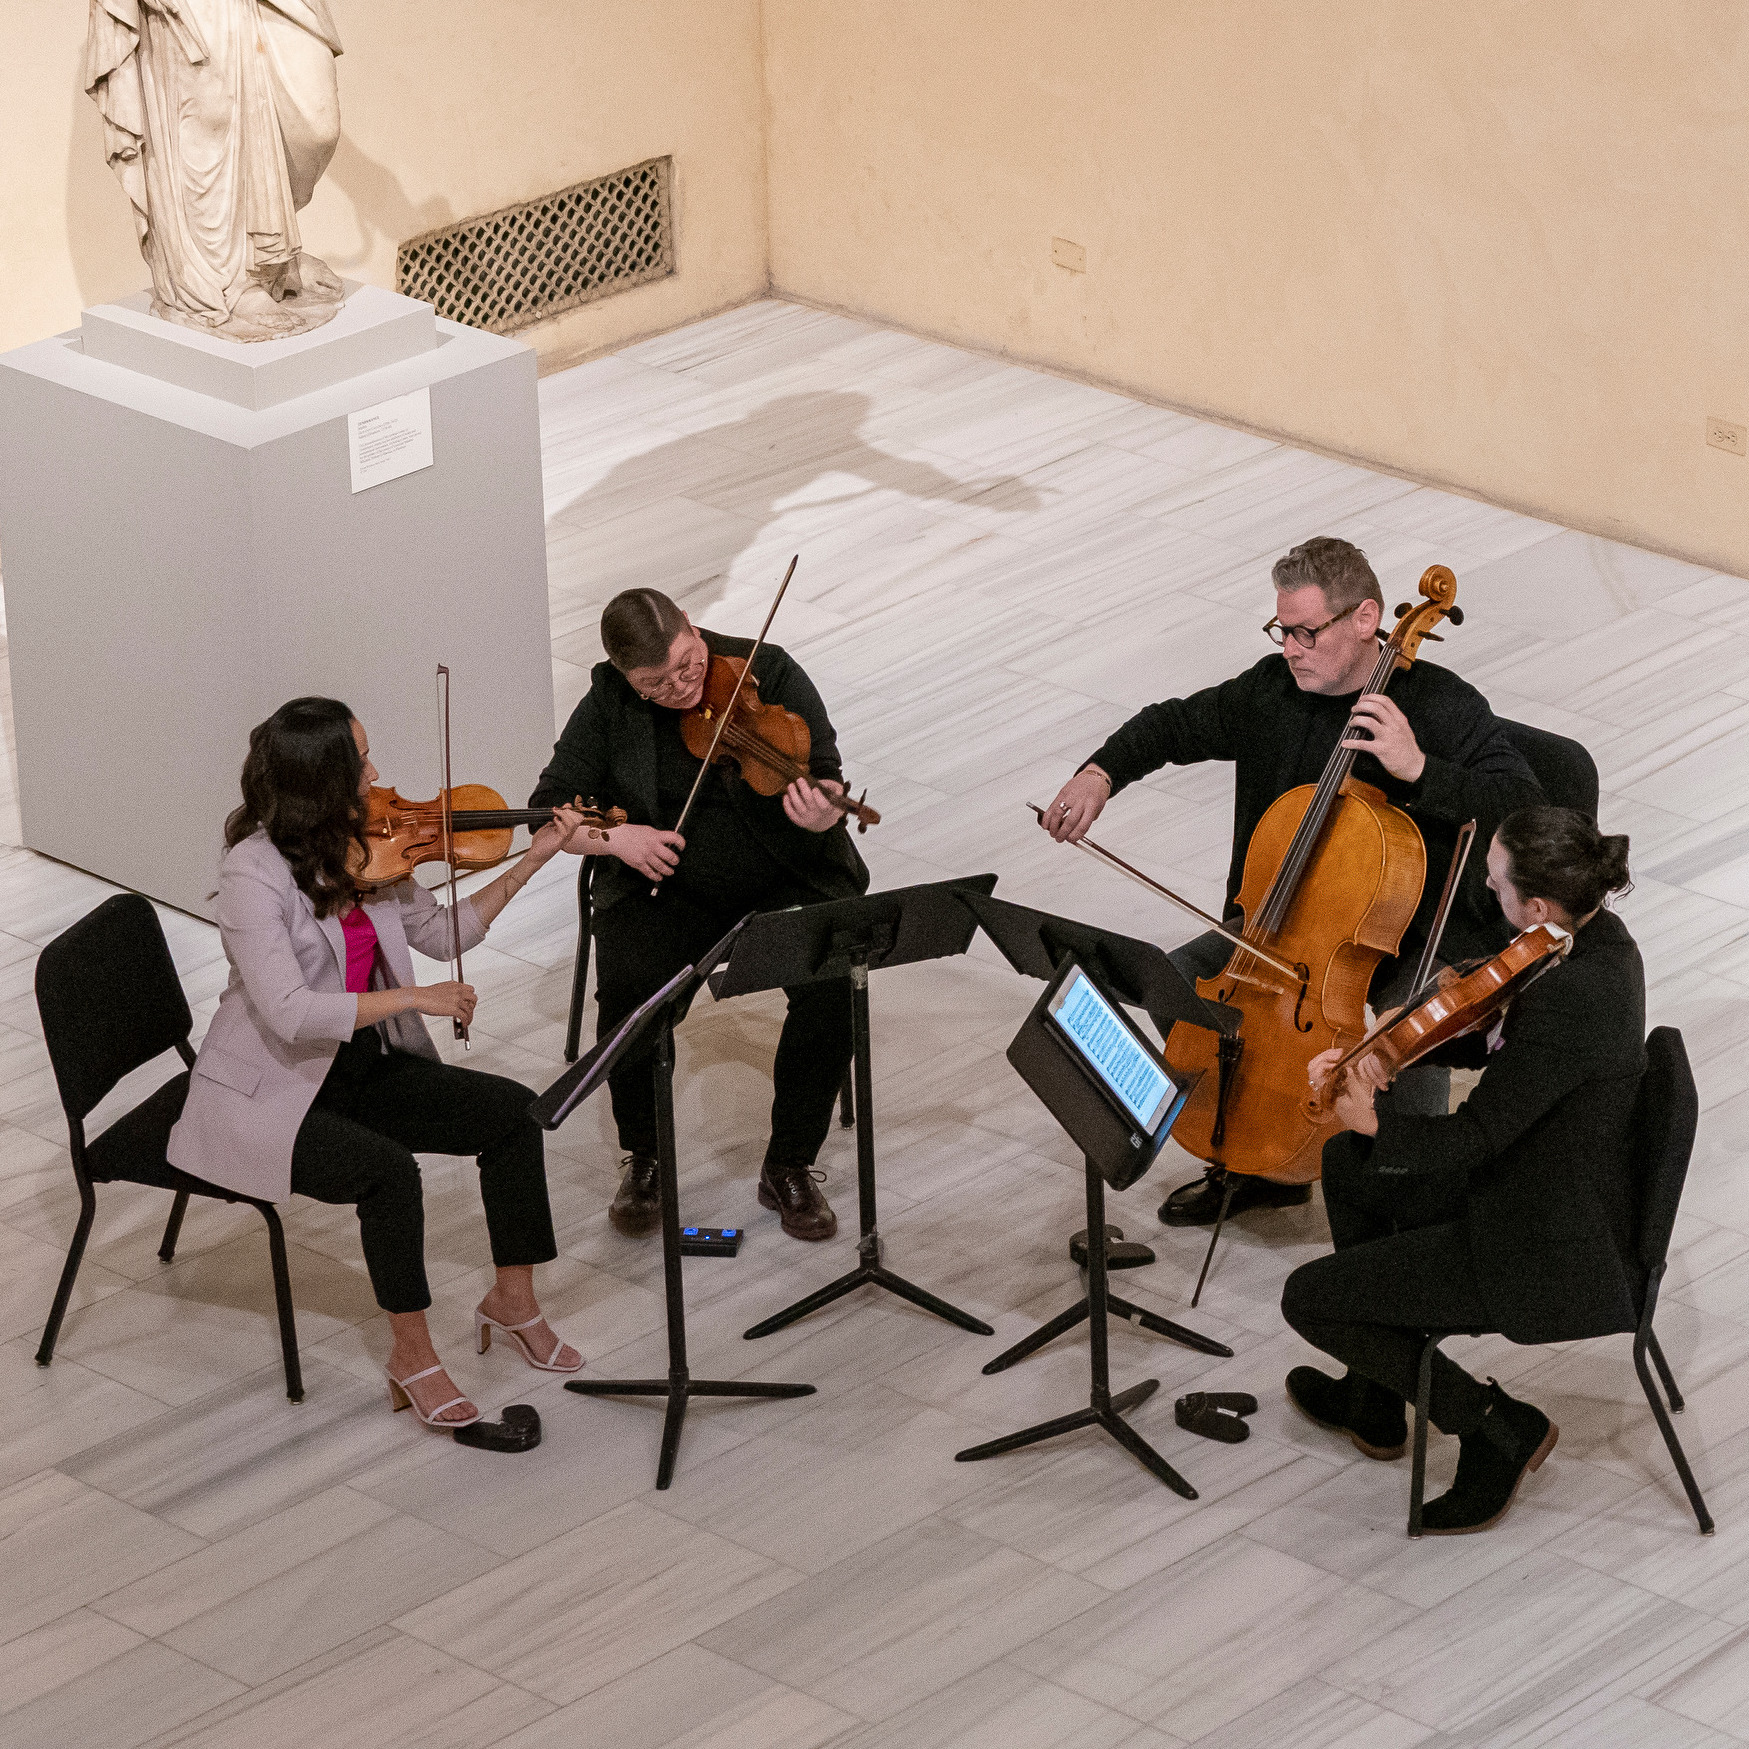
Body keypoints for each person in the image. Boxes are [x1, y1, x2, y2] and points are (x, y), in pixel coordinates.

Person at [1041, 536, 1543, 1225]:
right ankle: (1258, 1162)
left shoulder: (1438, 705)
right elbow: (1171, 725)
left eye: (1307, 631)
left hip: (1407, 938)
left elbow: (1527, 810)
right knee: (1178, 988)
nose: (1291, 647)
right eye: (1282, 629)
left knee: (1402, 1040)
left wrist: (1419, 769)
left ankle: (1404, 1204)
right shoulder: (1271, 690)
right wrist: (1099, 773)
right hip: (1276, 928)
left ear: (1365, 619)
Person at [168, 697, 587, 1429]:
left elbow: (444, 930)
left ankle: (512, 1301)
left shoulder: (370, 847)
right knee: (391, 1173)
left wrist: (536, 855)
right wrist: (414, 1000)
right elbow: (291, 1011)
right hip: (272, 1088)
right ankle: (411, 1354)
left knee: (513, 1114)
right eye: (361, 761)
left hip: (353, 1065)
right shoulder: (252, 874)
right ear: (322, 780)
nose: (378, 773)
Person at [1279, 807, 1643, 1534]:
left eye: (1494, 879)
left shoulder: (1567, 996)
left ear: (1534, 904)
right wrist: (1385, 1052)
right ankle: (1377, 1391)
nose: (1484, 887)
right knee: (1345, 1163)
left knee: (1308, 1298)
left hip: (1537, 1236)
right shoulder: (1588, 940)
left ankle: (1493, 1425)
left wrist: (1378, 1118)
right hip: (1539, 1177)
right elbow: (1508, 1058)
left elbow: (1475, 1133)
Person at [530, 589, 869, 1241]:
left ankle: (790, 1163)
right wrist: (619, 839)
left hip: (781, 873)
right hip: (664, 888)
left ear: (692, 625)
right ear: (625, 674)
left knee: (830, 983)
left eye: (687, 664)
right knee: (630, 995)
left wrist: (824, 806)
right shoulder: (609, 703)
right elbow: (552, 811)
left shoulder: (765, 670)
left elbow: (825, 773)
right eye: (656, 683)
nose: (682, 686)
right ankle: (645, 1156)